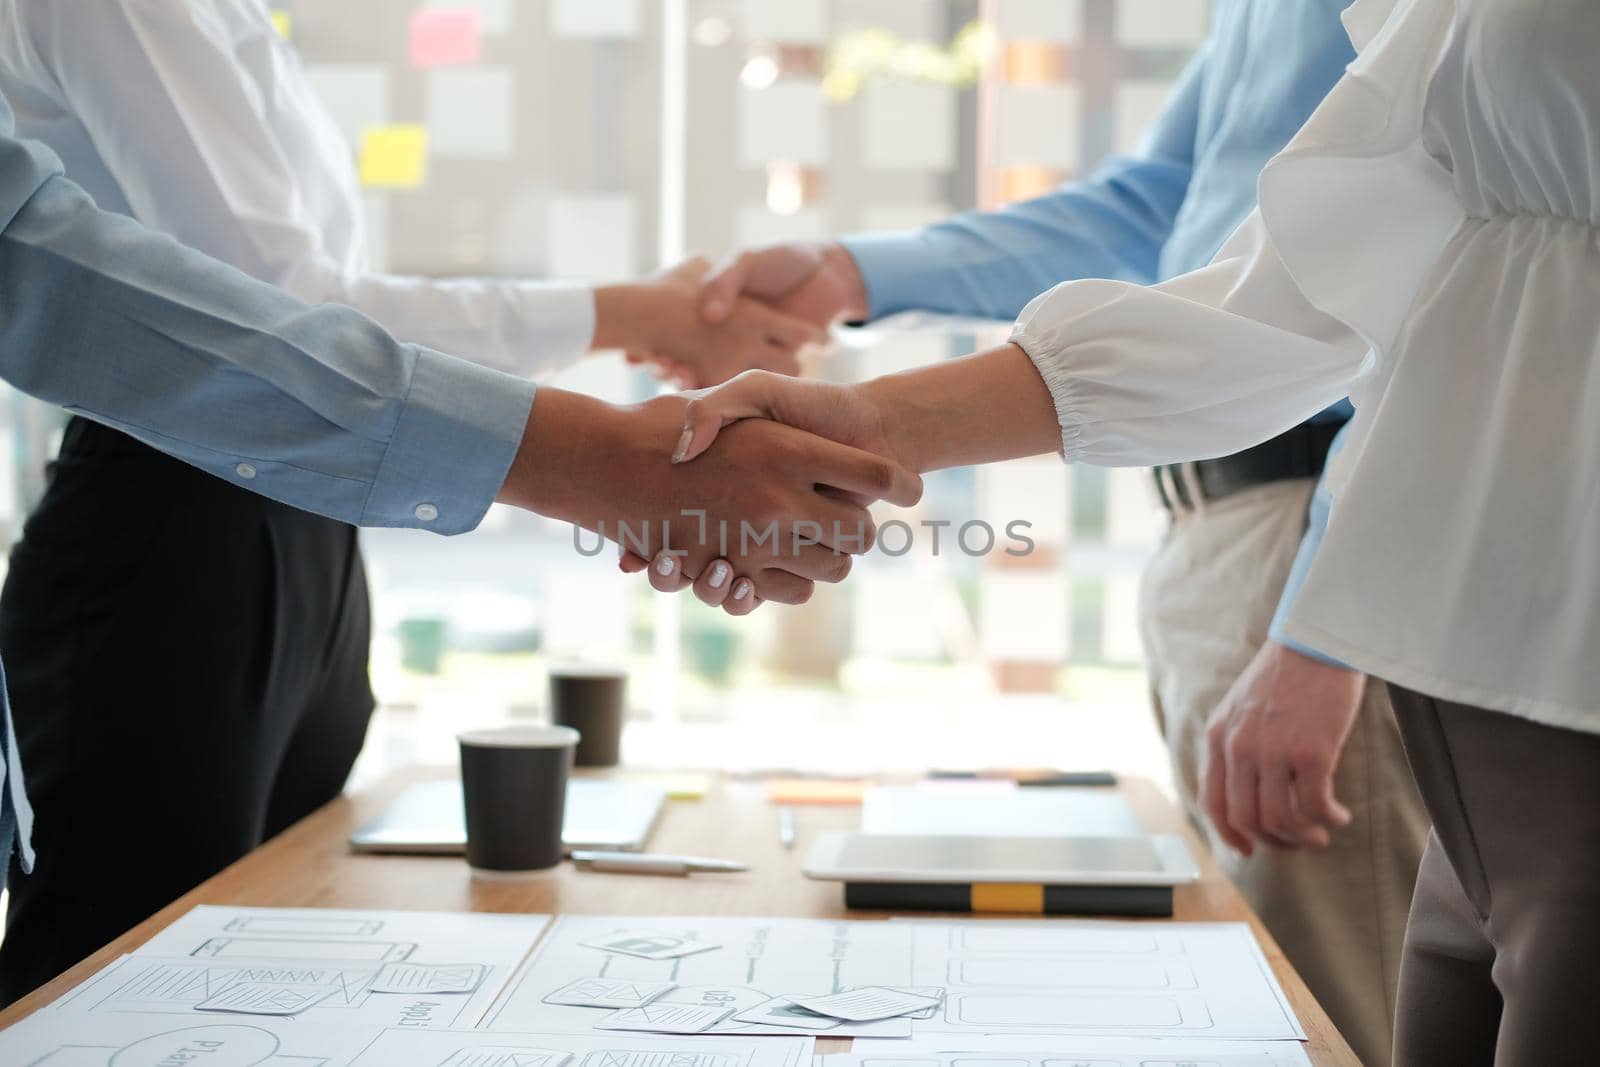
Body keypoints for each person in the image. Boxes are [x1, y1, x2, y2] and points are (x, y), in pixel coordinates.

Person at [680, 0, 1597, 1058]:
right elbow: (1273, 280)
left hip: (1471, 634)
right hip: (1463, 708)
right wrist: (872, 395)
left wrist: (1316, 625)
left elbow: (1380, 316)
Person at [0, 95, 918, 1006]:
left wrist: (661, 383)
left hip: (305, 506)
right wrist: (606, 445)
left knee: (250, 957)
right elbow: (215, 299)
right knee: (123, 973)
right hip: (186, 510)